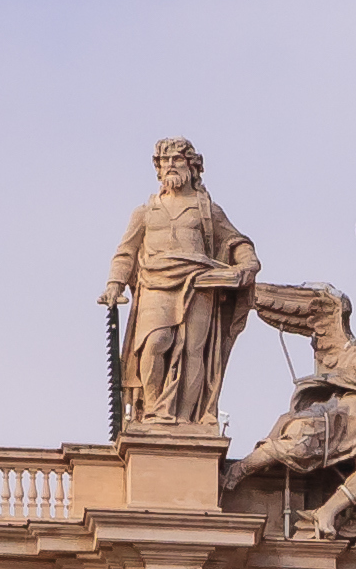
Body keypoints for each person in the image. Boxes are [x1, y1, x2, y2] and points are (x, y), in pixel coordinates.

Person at [102, 137, 258, 430]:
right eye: (165, 161)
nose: (171, 166)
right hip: (154, 282)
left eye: (177, 160)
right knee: (154, 343)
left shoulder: (207, 210)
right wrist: (115, 282)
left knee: (192, 351)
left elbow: (236, 240)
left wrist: (248, 262)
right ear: (158, 169)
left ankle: (185, 419)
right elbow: (126, 251)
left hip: (200, 282)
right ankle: (152, 410)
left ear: (192, 165)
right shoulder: (145, 212)